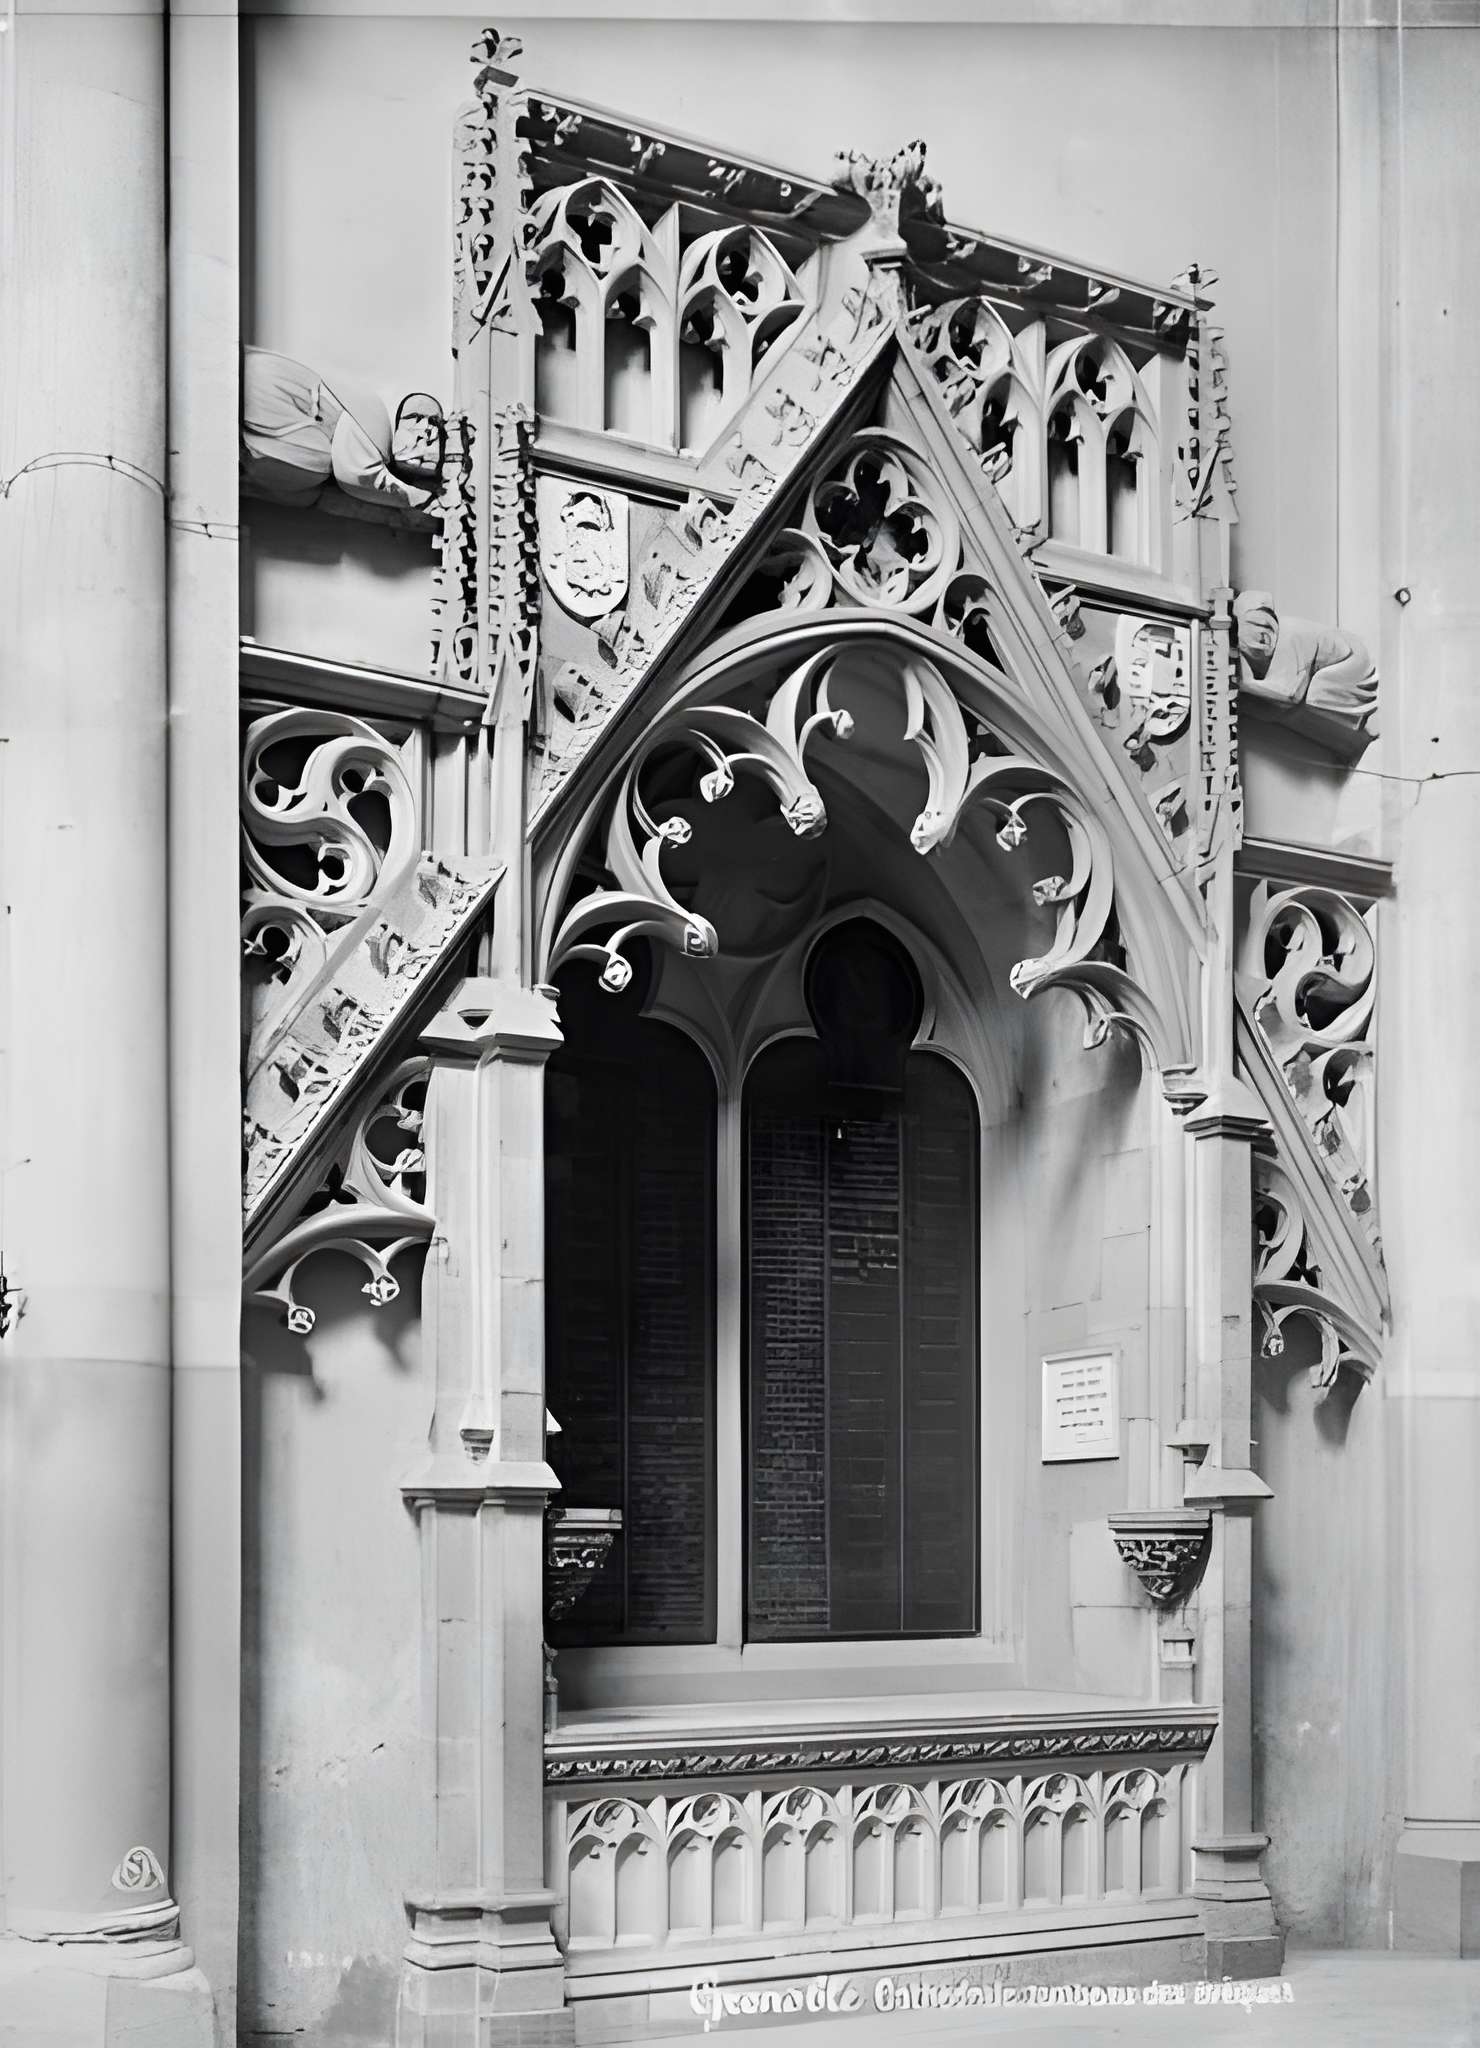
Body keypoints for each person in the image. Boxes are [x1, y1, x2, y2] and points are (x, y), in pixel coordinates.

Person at [1232, 589, 1378, 758]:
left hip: (1352, 671)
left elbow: (1289, 694)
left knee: (1304, 702)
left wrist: (1246, 683)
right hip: (1353, 666)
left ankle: (1353, 735)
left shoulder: (1289, 638)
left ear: (1265, 635)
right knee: (1277, 709)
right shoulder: (1283, 630)